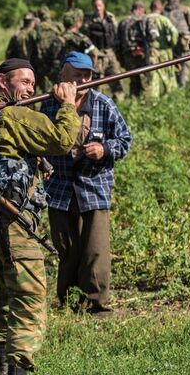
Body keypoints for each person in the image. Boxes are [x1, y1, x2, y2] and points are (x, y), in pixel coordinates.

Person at [0, 58, 80, 374]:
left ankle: (2, 363)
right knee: (30, 296)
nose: (30, 88)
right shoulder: (13, 117)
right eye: (24, 81)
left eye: (32, 83)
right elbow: (62, 140)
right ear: (3, 82)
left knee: (6, 290)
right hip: (11, 221)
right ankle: (18, 367)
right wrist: (68, 105)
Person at [41, 52, 132, 315]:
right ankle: (69, 303)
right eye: (77, 75)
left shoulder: (104, 104)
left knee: (96, 250)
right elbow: (38, 143)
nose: (83, 80)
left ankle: (96, 306)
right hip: (59, 189)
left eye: (87, 75)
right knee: (66, 249)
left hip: (94, 188)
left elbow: (125, 140)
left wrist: (104, 149)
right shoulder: (48, 106)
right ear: (63, 76)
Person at [82, 0, 125, 99]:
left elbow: (116, 33)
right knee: (97, 82)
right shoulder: (88, 20)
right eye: (95, 6)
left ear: (104, 6)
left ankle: (120, 100)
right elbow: (84, 36)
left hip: (110, 52)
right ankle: (94, 102)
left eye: (100, 5)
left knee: (116, 77)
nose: (98, 8)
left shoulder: (110, 17)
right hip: (97, 54)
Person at [117, 1, 160, 98]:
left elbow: (117, 43)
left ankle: (133, 103)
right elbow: (154, 35)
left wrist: (121, 59)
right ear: (143, 9)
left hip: (128, 56)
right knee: (147, 82)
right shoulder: (147, 19)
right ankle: (146, 105)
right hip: (144, 55)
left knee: (134, 81)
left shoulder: (123, 22)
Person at [163, 0, 190, 87]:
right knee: (185, 64)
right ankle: (182, 86)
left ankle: (175, 86)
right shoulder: (185, 9)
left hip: (169, 43)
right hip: (184, 41)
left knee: (174, 64)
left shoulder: (163, 12)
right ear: (178, 0)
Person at [148, 0, 179, 97]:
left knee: (154, 77)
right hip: (164, 51)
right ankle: (171, 96)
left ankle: (154, 99)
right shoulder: (163, 19)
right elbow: (174, 32)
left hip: (150, 52)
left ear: (151, 8)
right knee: (168, 75)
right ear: (160, 8)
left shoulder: (145, 19)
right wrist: (172, 44)